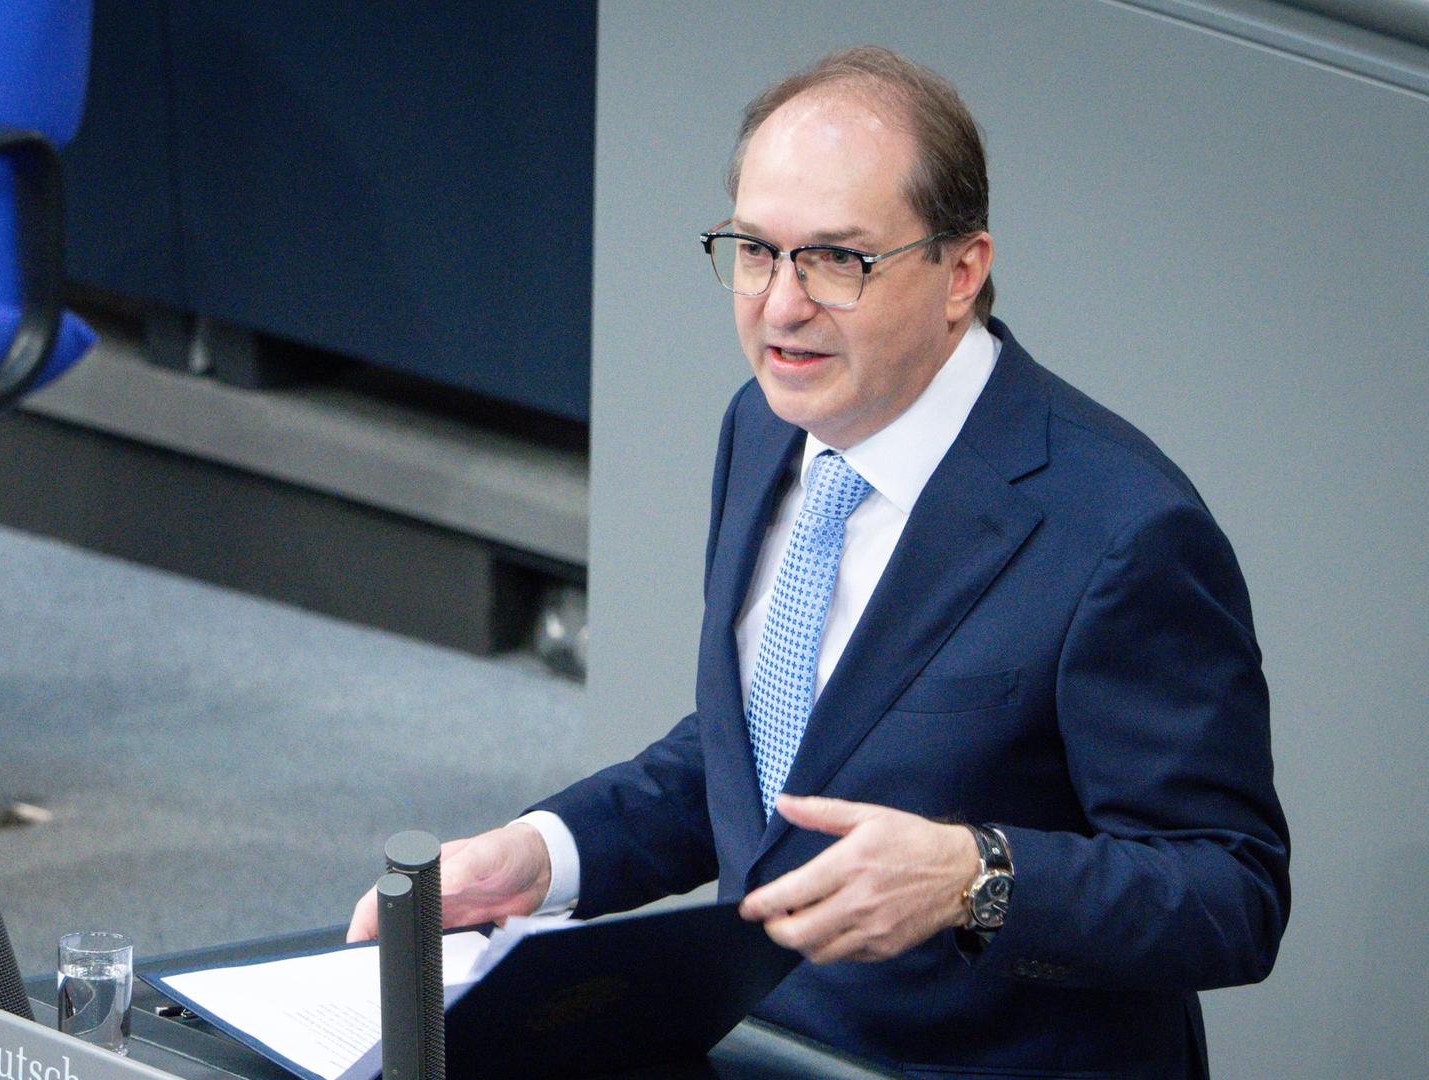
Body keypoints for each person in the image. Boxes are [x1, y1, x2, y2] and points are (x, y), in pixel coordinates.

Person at [348, 46, 1289, 1079]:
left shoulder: (1121, 531)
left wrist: (975, 877)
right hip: (746, 1040)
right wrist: (545, 854)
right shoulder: (764, 423)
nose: (780, 305)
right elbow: (754, 757)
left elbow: (1228, 894)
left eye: (836, 261)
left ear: (960, 273)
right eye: (755, 250)